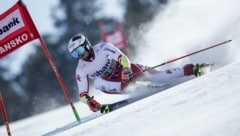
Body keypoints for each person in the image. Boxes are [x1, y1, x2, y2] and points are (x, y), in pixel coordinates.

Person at [67, 34, 210, 112]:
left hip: (126, 71)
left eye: (79, 51)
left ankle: (192, 69)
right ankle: (140, 89)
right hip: (115, 82)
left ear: (87, 45)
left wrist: (126, 69)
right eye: (75, 54)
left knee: (157, 76)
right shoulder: (81, 68)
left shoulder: (103, 48)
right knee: (98, 83)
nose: (79, 56)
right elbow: (82, 94)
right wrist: (90, 102)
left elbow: (122, 58)